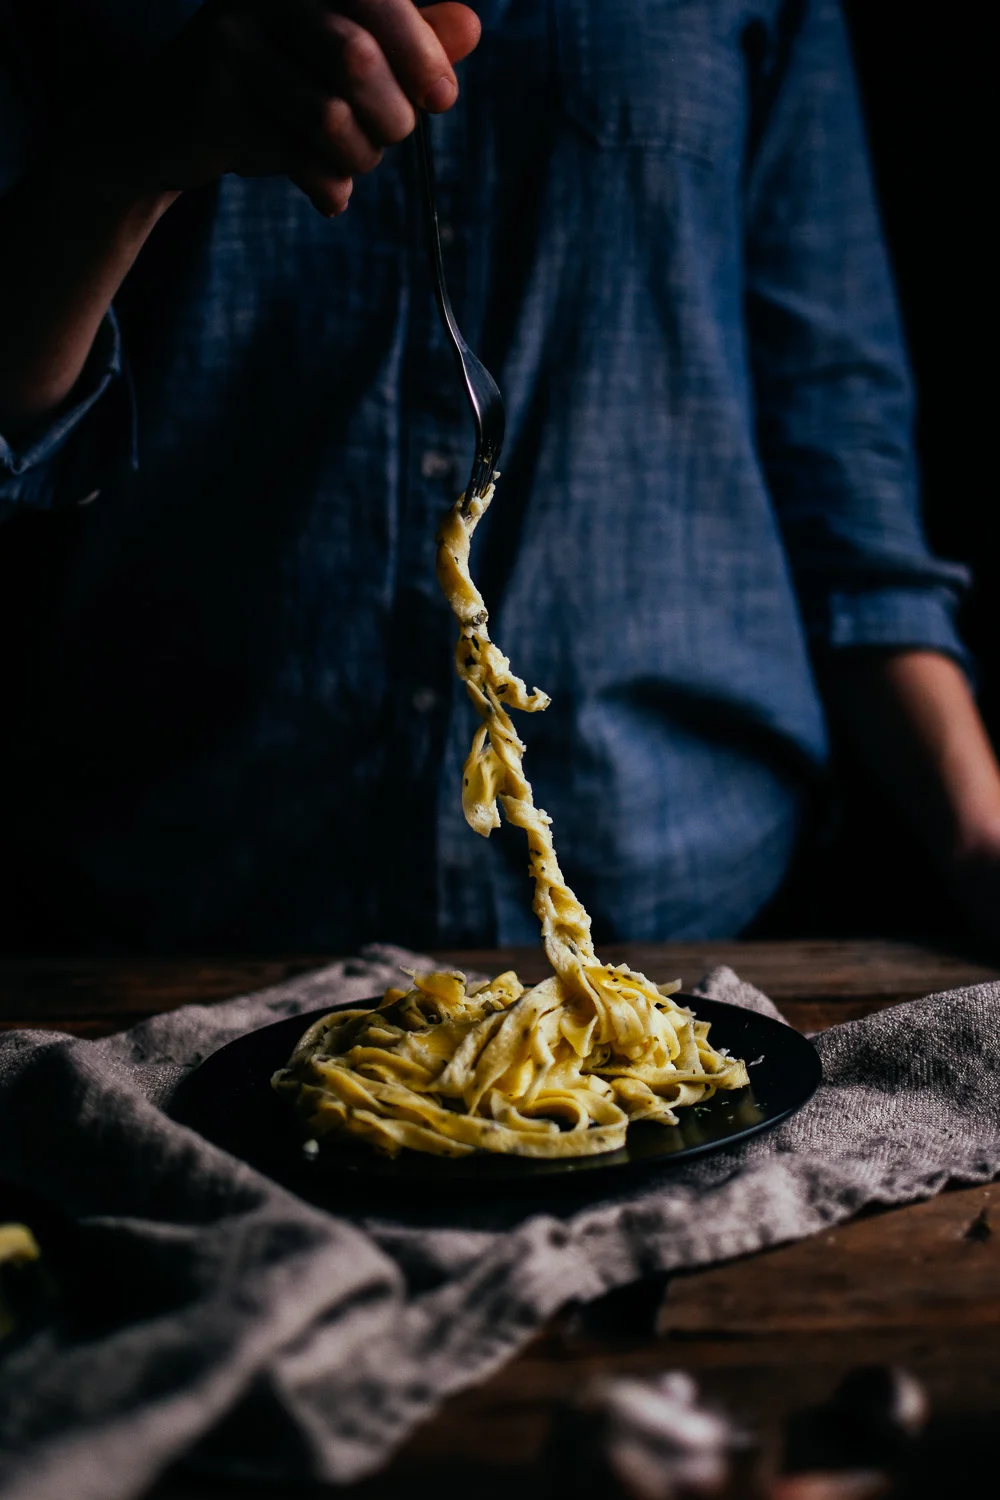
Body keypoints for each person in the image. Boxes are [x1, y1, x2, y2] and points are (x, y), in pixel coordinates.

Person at [1, 0, 998, 952]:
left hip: (689, 907)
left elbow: (838, 451)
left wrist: (973, 831)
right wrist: (122, 162)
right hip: (178, 894)